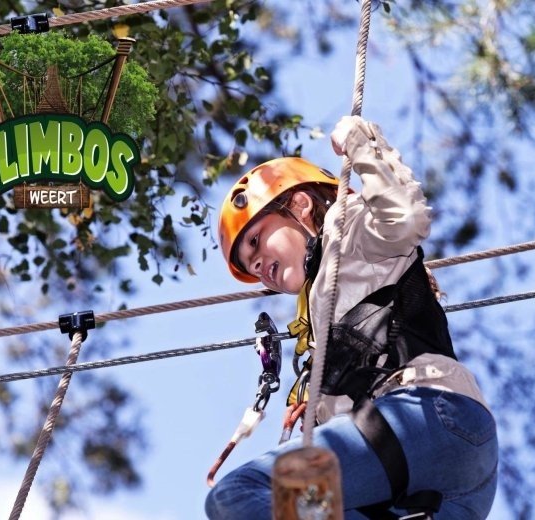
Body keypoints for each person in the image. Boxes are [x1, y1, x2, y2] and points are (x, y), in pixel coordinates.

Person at [207, 116, 498, 519]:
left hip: (425, 420)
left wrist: (362, 145)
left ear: (300, 204)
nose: (259, 265)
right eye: (251, 265)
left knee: (239, 494)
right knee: (304, 511)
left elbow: (405, 218)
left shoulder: (347, 229)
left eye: (257, 241)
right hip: (448, 477)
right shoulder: (327, 305)